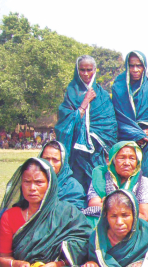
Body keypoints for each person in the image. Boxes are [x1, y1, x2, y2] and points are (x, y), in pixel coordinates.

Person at [55, 55, 117, 190]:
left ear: (95, 70)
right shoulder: (71, 92)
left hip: (97, 153)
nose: (86, 73)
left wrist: (106, 153)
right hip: (76, 154)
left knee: (96, 187)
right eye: (82, 70)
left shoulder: (103, 95)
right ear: (77, 70)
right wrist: (84, 102)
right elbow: (64, 123)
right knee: (77, 186)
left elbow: (110, 127)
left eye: (89, 69)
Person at [112, 51, 148, 185]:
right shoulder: (119, 88)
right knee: (125, 178)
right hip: (125, 140)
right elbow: (116, 118)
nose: (135, 69)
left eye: (139, 66)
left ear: (144, 67)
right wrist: (133, 134)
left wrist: (147, 132)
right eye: (132, 66)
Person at [85, 141, 148, 224]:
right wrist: (130, 209)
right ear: (113, 161)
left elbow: (145, 216)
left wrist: (107, 203)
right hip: (102, 221)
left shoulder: (144, 183)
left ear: (137, 162)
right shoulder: (101, 177)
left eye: (132, 158)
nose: (127, 163)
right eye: (122, 158)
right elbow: (94, 205)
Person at [39, 141, 87, 210]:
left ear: (63, 163)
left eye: (55, 160)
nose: (50, 164)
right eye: (46, 159)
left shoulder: (72, 187)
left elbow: (73, 215)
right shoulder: (33, 182)